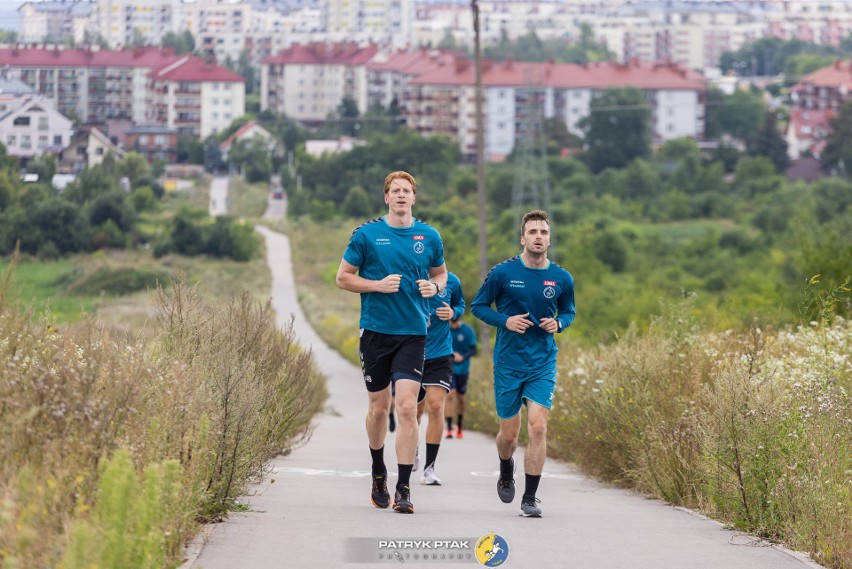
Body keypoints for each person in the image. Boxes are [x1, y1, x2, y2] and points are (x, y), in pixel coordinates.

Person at [336, 171, 448, 515]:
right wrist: (377, 285)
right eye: (395, 191)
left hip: (414, 333)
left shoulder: (429, 236)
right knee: (379, 409)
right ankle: (377, 472)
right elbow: (343, 278)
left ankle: (403, 488)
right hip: (375, 332)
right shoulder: (367, 235)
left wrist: (436, 287)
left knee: (405, 408)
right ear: (386, 197)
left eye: (407, 191)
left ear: (414, 198)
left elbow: (440, 273)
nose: (401, 196)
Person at [470, 210, 575, 518]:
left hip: (542, 362)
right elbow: (478, 306)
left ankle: (530, 498)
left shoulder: (562, 278)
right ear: (523, 238)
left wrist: (560, 324)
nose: (539, 236)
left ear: (549, 239)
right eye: (533, 232)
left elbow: (569, 311)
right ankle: (505, 467)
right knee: (509, 436)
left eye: (543, 231)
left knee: (538, 428)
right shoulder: (503, 273)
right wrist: (505, 320)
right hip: (508, 363)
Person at [414, 271, 465, 486]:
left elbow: (461, 305)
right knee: (413, 410)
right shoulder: (409, 275)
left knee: (435, 407)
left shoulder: (452, 280)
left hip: (441, 353)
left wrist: (453, 312)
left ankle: (429, 468)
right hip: (412, 349)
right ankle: (412, 450)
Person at [445, 316, 477, 439]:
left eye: (455, 322)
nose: (453, 325)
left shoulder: (467, 330)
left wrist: (463, 356)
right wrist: (450, 354)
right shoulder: (445, 329)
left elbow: (474, 350)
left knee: (460, 397)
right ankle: (448, 428)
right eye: (451, 322)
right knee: (450, 394)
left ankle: (459, 426)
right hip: (448, 368)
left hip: (463, 368)